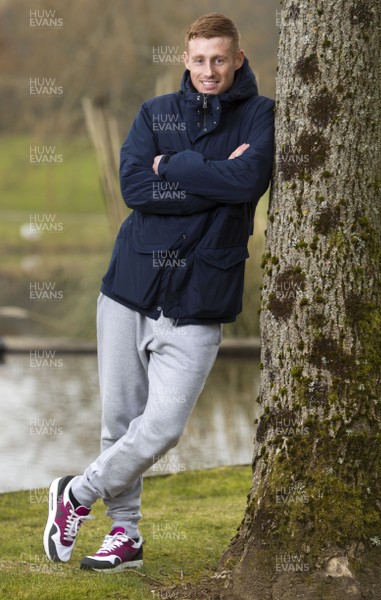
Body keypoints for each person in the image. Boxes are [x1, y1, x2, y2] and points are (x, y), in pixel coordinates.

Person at [43, 12, 274, 573]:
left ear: (238, 59)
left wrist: (175, 167)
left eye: (220, 59)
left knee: (164, 427)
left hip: (201, 301)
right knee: (119, 421)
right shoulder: (155, 114)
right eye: (199, 59)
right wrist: (209, 177)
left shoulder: (262, 116)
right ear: (185, 60)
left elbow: (247, 181)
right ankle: (126, 537)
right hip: (129, 289)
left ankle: (75, 494)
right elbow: (135, 187)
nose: (209, 70)